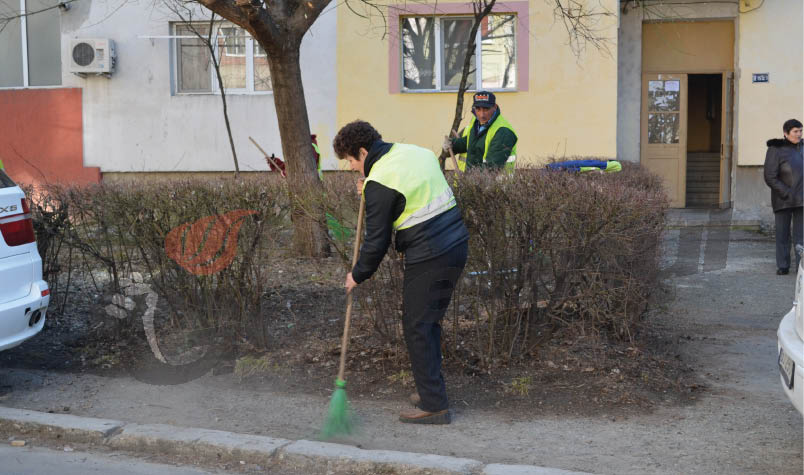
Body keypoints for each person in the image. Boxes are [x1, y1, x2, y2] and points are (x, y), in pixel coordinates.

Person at [334, 120, 469, 424]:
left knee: (418, 327)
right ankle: (430, 391)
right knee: (427, 324)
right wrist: (371, 189)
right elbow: (407, 191)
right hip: (456, 243)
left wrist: (357, 274)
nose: (353, 168)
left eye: (352, 161)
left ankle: (435, 407)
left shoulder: (380, 180)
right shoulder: (413, 152)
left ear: (363, 151)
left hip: (430, 254)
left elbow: (376, 241)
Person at [764, 118, 803, 275]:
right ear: (786, 133)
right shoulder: (775, 149)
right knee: (782, 234)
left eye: (801, 131)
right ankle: (783, 265)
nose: (799, 134)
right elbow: (770, 176)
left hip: (802, 198)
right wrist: (786, 192)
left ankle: (802, 267)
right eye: (795, 131)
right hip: (783, 199)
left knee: (801, 236)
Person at [445, 91, 518, 171]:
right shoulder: (477, 122)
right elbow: (471, 142)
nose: (481, 115)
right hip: (474, 181)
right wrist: (453, 144)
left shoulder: (503, 132)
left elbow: (492, 167)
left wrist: (468, 179)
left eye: (486, 109)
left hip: (494, 183)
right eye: (478, 109)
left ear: (495, 107)